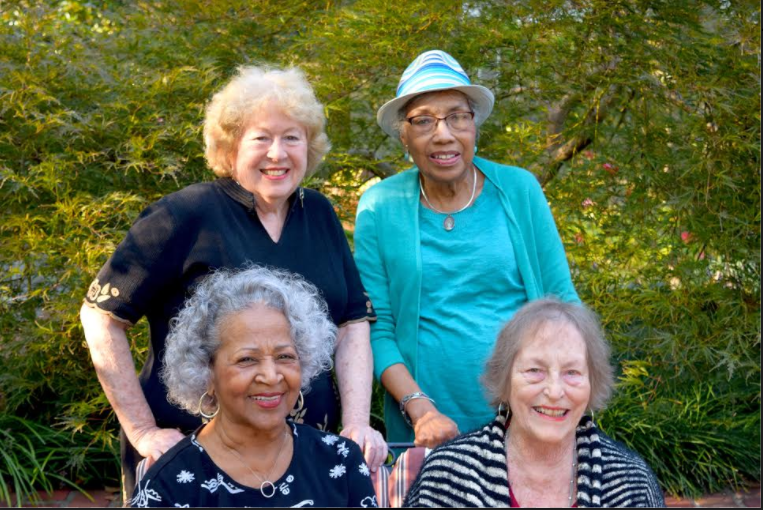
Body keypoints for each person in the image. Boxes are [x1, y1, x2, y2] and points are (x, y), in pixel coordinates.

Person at [80, 65, 386, 501]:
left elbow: (352, 321)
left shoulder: (318, 213)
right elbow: (100, 316)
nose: (277, 154)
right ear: (230, 147)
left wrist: (356, 421)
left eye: (292, 138)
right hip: (192, 461)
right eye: (261, 138)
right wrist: (143, 430)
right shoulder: (183, 215)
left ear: (310, 146)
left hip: (307, 457)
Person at [354, 50, 579, 447]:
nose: (444, 134)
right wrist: (420, 409)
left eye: (458, 116)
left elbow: (563, 305)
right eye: (423, 120)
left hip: (530, 416)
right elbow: (378, 327)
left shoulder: (519, 189)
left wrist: (560, 397)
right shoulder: (380, 205)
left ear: (475, 126)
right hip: (429, 430)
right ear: (403, 137)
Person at [130, 266, 378, 507]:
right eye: (246, 359)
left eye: (285, 357)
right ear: (207, 372)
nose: (271, 376)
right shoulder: (168, 486)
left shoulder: (341, 460)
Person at [404, 298, 665, 508]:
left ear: (591, 383)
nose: (554, 391)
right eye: (534, 371)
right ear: (505, 380)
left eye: (572, 373)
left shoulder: (630, 481)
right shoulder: (448, 476)